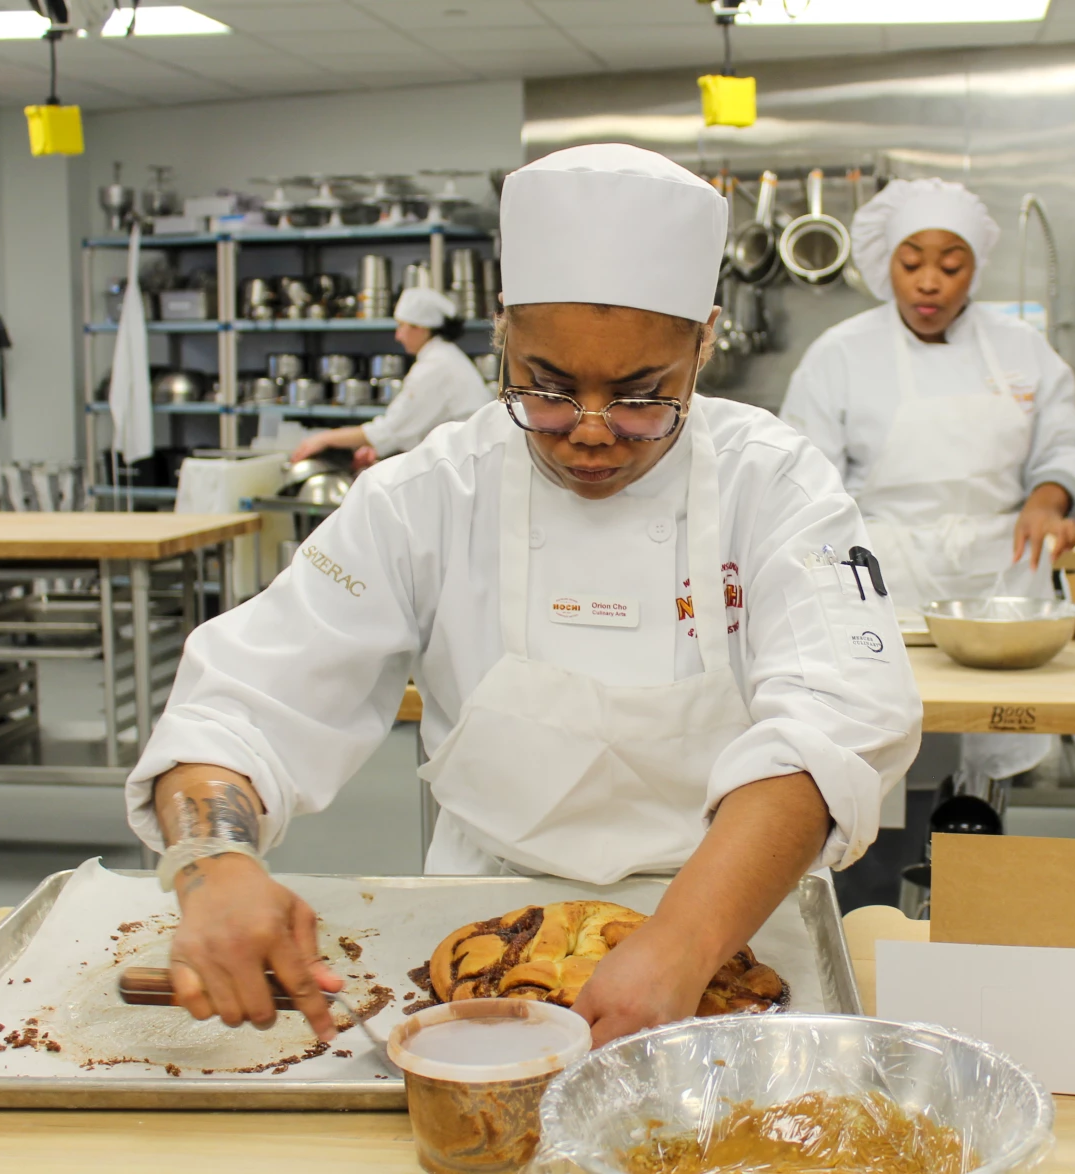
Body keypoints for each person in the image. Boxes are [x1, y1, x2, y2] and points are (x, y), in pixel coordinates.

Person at [125, 144, 922, 1050]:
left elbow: (839, 718)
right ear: (502, 331)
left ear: (703, 341)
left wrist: (683, 939)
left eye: (640, 398)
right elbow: (246, 701)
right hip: (484, 921)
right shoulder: (430, 492)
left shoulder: (774, 484)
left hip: (730, 926)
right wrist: (211, 860)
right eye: (544, 390)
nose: (589, 435)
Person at [780, 177, 1075, 793]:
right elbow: (806, 481)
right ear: (886, 264)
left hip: (1003, 589)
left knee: (998, 773)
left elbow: (1063, 443)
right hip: (883, 589)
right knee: (894, 773)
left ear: (974, 270)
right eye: (912, 262)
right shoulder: (840, 354)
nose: (930, 282)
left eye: (951, 266)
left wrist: (1049, 496)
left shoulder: (1021, 348)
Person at [289, 287, 490, 470]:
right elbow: (412, 430)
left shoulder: (435, 367)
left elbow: (390, 430)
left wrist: (324, 438)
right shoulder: (443, 357)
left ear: (421, 327)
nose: (398, 336)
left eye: (401, 326)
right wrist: (380, 449)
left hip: (467, 467)